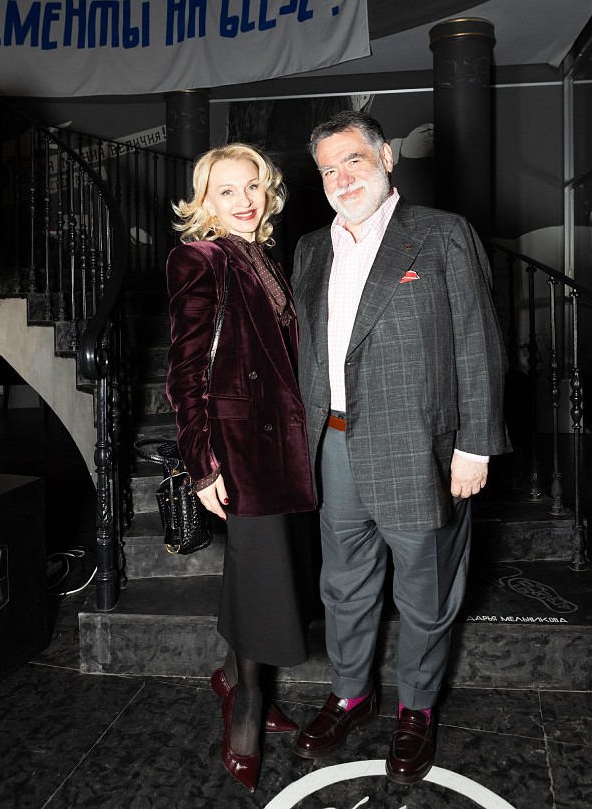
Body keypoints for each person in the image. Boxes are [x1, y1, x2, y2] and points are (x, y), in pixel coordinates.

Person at [291, 110, 510, 784]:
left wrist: (474, 445)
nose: (341, 178)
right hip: (332, 444)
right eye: (328, 169)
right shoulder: (309, 249)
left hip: (420, 450)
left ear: (386, 157)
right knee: (343, 585)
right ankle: (350, 694)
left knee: (425, 591)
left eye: (353, 160)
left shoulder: (441, 233)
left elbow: (477, 341)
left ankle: (416, 707)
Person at [165, 143, 316, 793]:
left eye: (252, 185)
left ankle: (231, 676)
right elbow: (184, 370)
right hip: (239, 447)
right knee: (264, 579)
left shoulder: (268, 259)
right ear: (204, 203)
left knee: (266, 575)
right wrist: (202, 463)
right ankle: (247, 712)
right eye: (226, 190)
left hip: (286, 443)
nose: (244, 200)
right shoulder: (199, 258)